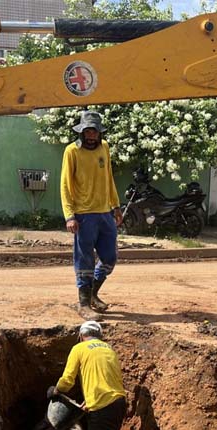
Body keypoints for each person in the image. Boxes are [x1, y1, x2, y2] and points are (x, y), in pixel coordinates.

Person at [49, 321, 126, 430]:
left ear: (81, 336)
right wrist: (89, 401)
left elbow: (68, 380)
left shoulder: (80, 348)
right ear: (99, 335)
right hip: (119, 403)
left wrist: (56, 391)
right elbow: (106, 379)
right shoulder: (109, 349)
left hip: (103, 408)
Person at [60, 111, 123, 320]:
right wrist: (69, 215)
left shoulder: (104, 148)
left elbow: (109, 177)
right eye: (87, 131)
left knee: (110, 258)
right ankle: (84, 303)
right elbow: (65, 185)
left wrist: (116, 206)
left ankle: (93, 293)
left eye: (94, 132)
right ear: (81, 132)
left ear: (99, 133)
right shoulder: (72, 151)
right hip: (83, 215)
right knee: (84, 260)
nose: (90, 136)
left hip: (105, 212)